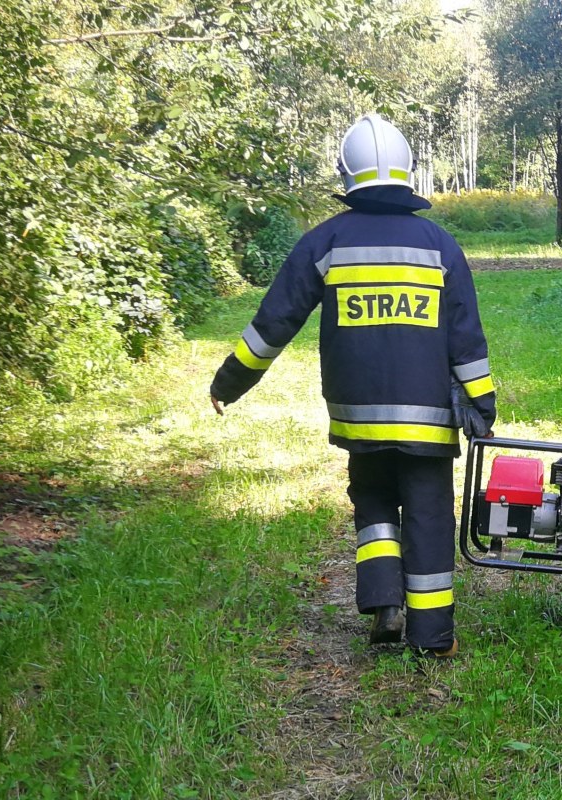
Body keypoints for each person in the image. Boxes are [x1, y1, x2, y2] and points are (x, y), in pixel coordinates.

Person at [209, 114, 495, 658]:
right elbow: (466, 338)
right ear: (408, 171)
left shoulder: (326, 241)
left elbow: (274, 322)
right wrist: (482, 403)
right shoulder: (440, 245)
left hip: (358, 415)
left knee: (373, 498)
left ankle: (385, 602)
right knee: (429, 513)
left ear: (348, 175)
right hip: (428, 419)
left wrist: (230, 382)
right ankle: (433, 637)